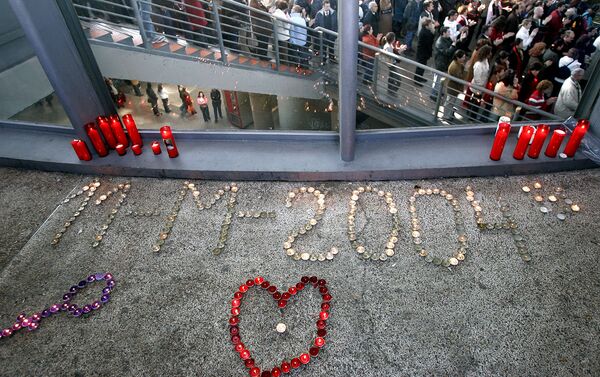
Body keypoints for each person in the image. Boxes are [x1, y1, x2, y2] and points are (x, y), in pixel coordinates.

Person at [432, 26, 459, 99]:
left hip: (445, 63)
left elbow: (451, 46)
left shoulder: (446, 39)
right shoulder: (439, 42)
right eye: (448, 32)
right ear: (444, 33)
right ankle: (433, 94)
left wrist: (457, 41)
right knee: (437, 80)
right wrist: (453, 45)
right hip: (440, 63)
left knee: (442, 79)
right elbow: (447, 52)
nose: (450, 33)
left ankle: (439, 92)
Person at [381, 32, 408, 97]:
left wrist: (400, 49)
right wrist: (400, 50)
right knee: (398, 80)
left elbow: (393, 52)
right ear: (393, 39)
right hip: (391, 64)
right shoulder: (388, 46)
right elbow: (392, 55)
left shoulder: (389, 45)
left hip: (391, 64)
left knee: (391, 77)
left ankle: (390, 90)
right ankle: (392, 91)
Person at [443, 49, 467, 120]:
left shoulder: (458, 64)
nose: (464, 58)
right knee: (449, 102)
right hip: (453, 88)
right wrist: (465, 70)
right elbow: (461, 79)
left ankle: (448, 114)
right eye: (463, 57)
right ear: (458, 58)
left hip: (454, 88)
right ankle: (446, 116)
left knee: (450, 102)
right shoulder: (454, 67)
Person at [414, 18, 435, 86]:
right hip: (423, 52)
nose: (432, 25)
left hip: (423, 52)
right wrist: (433, 31)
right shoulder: (426, 33)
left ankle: (420, 77)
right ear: (427, 26)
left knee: (422, 66)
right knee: (420, 66)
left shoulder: (425, 31)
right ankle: (417, 80)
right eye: (430, 24)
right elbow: (430, 42)